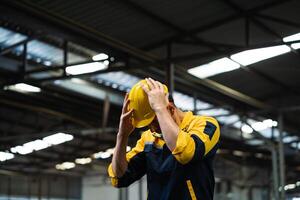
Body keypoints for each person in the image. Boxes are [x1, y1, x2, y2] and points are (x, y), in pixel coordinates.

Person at [108, 78, 220, 200]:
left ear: (170, 108)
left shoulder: (205, 125)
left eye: (154, 123)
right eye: (148, 125)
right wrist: (122, 136)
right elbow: (120, 176)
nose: (152, 130)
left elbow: (186, 152)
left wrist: (160, 109)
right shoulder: (148, 139)